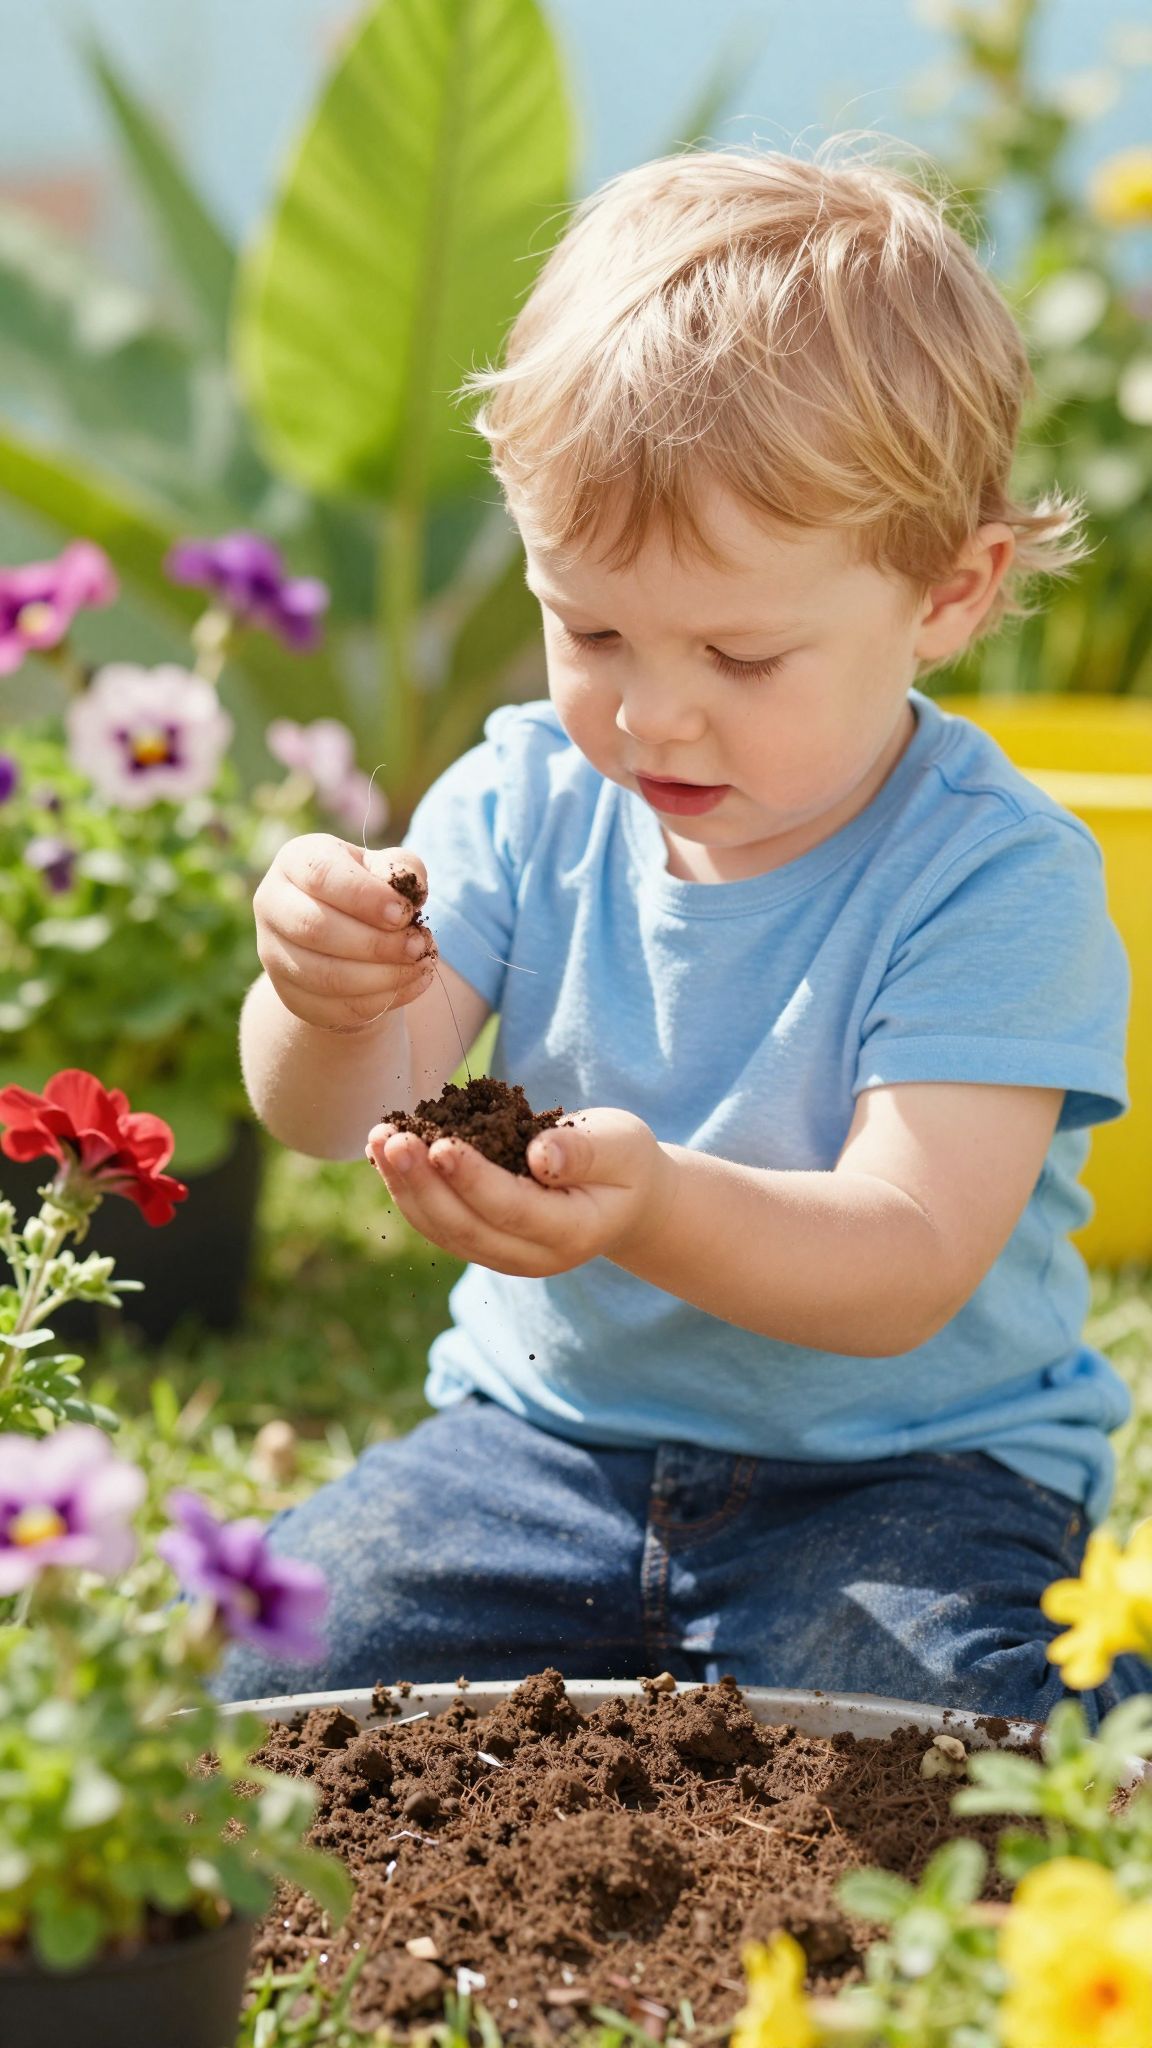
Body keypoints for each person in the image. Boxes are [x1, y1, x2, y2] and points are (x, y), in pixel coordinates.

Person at [223, 145, 1145, 1720]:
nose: (651, 712)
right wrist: (318, 992)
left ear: (951, 592)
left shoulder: (996, 878)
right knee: (262, 1682)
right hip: (540, 1453)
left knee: (964, 1747)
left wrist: (649, 1208)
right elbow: (336, 1107)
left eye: (740, 651)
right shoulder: (525, 795)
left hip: (901, 1486)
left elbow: (905, 1262)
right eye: (588, 630)